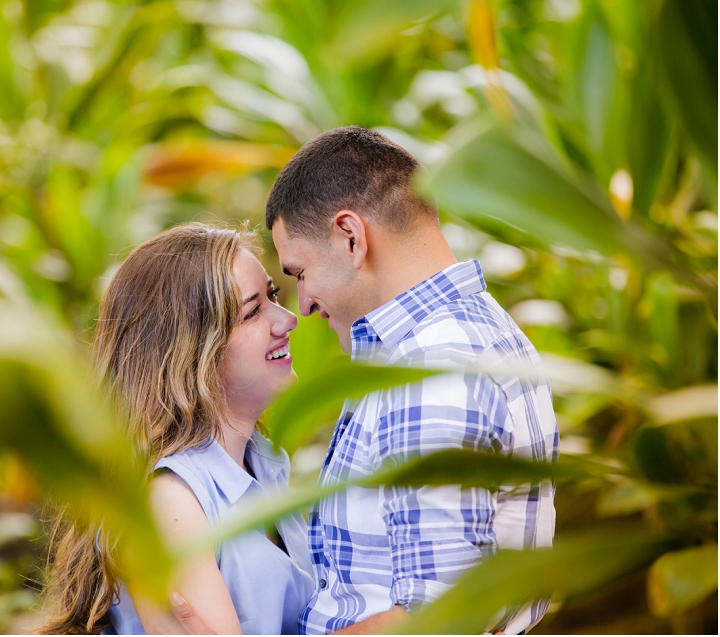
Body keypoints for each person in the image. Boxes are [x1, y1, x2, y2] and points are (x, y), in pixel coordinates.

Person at [173, 126, 559, 634]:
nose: (303, 305)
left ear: (352, 238)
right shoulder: (469, 334)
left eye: (299, 273)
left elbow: (438, 621)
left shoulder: (428, 367)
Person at [38, 223, 315, 634]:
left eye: (273, 295)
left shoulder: (265, 464)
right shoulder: (170, 500)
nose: (288, 319)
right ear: (190, 351)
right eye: (254, 311)